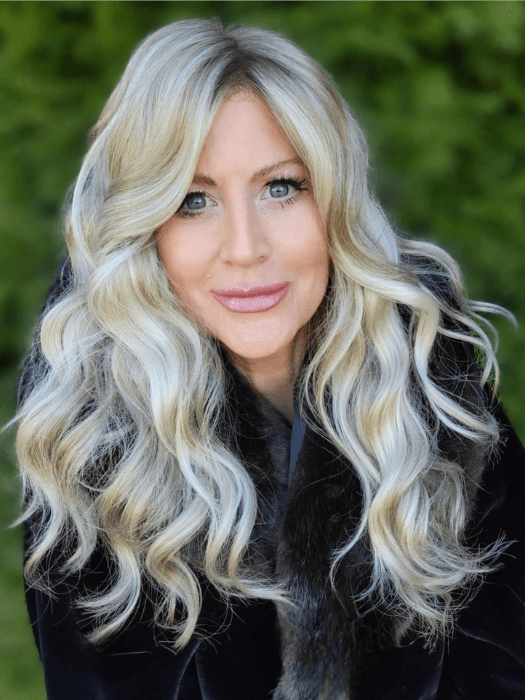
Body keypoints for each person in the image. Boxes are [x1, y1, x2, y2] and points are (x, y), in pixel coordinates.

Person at [12, 17, 525, 700]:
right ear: (145, 229)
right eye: (193, 201)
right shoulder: (94, 443)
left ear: (334, 199)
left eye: (280, 187)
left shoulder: (432, 379)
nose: (245, 247)